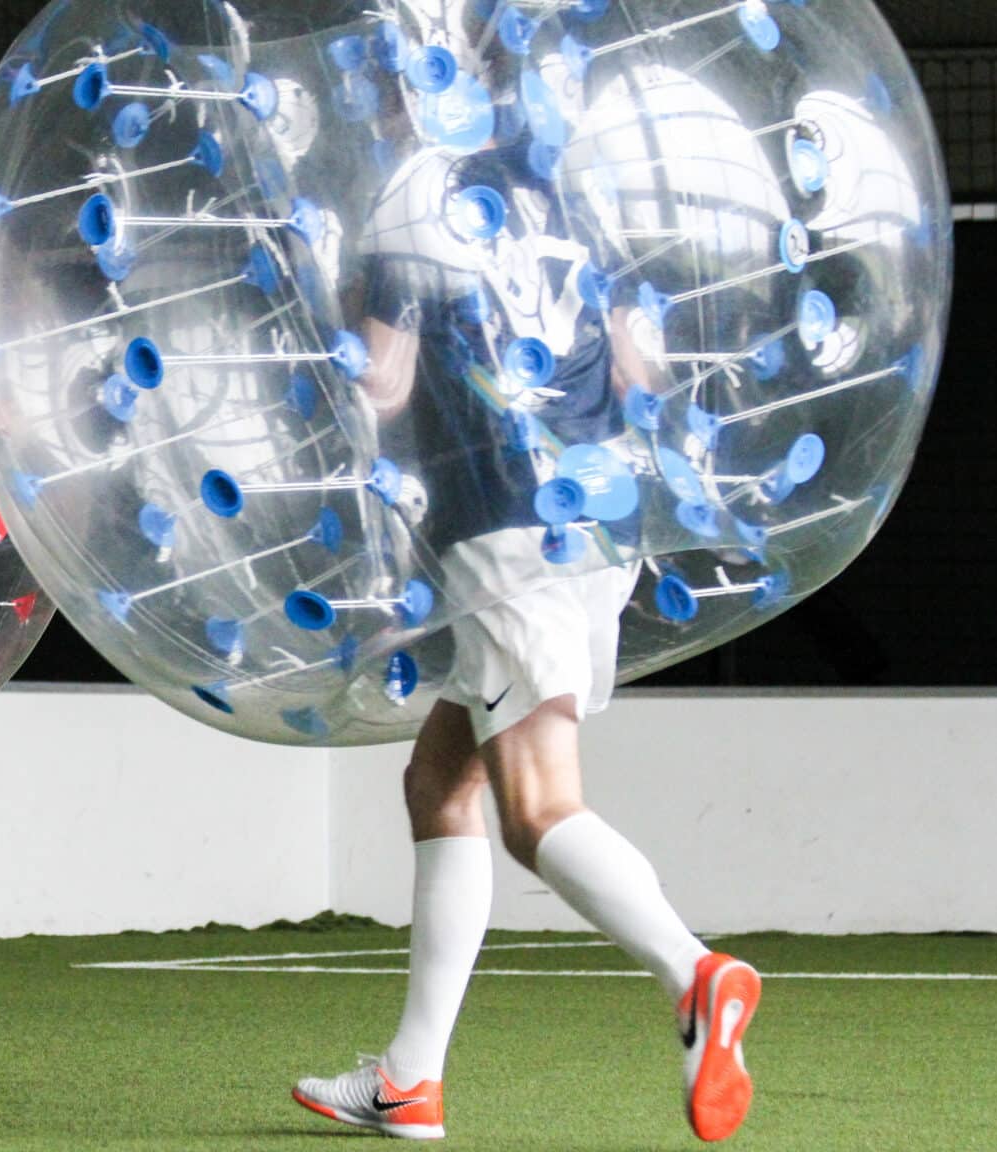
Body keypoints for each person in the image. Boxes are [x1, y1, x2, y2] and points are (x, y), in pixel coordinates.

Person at [290, 138, 760, 1143]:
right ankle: (408, 1079)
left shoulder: (411, 194)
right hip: (598, 523)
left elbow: (379, 384)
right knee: (437, 779)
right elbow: (641, 372)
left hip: (500, 531)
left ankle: (694, 974)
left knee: (534, 809)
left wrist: (324, 306)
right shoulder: (570, 176)